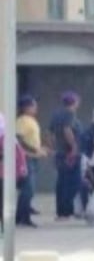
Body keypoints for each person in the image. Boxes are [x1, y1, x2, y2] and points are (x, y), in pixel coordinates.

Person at [49, 91, 82, 221]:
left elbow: (50, 133)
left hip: (60, 153)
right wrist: (73, 147)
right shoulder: (70, 114)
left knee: (61, 182)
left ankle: (61, 212)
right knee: (72, 182)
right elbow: (67, 130)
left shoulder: (55, 115)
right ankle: (68, 212)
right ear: (74, 102)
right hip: (69, 153)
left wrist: (54, 147)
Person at [15, 95, 45, 228]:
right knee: (28, 189)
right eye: (33, 105)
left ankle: (21, 216)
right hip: (26, 157)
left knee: (28, 189)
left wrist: (40, 149)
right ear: (26, 107)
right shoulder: (23, 121)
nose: (36, 108)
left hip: (32, 157)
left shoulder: (31, 120)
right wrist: (34, 149)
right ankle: (23, 217)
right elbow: (18, 139)